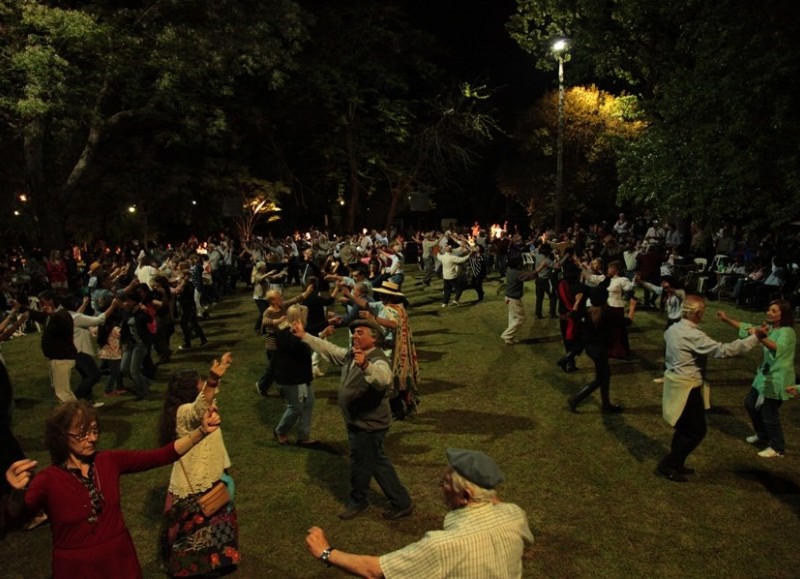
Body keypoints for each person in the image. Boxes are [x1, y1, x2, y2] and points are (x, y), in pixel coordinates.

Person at [4, 400, 220, 578]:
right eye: (82, 433)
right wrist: (17, 493)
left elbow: (161, 455)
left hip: (119, 560)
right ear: (61, 436)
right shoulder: (47, 480)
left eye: (95, 430)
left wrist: (201, 431)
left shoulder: (108, 461)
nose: (92, 438)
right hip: (77, 569)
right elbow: (16, 517)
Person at [304, 448, 534, 578]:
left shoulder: (442, 545)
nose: (440, 486)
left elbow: (375, 571)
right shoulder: (515, 515)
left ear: (464, 496)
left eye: (445, 483)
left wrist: (326, 552)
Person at [292, 317, 413, 521]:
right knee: (376, 462)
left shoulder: (377, 359)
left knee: (360, 464)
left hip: (368, 425)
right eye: (354, 332)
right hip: (360, 423)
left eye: (360, 333)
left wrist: (365, 365)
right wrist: (305, 336)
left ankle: (359, 501)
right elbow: (329, 349)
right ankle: (401, 502)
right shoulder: (351, 355)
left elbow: (383, 379)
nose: (355, 335)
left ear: (374, 339)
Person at [657, 295, 763, 482]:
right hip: (687, 386)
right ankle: (669, 464)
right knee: (695, 431)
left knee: (684, 428)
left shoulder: (673, 329)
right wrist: (755, 338)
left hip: (675, 381)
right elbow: (723, 351)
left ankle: (676, 462)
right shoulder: (693, 335)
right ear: (697, 313)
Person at [158, 351, 239, 576]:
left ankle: (219, 560)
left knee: (218, 524)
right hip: (197, 485)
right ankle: (195, 567)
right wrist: (212, 381)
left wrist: (217, 378)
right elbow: (198, 408)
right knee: (197, 534)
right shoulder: (184, 414)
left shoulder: (196, 407)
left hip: (213, 477)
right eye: (200, 382)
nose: (203, 384)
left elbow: (207, 401)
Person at [717, 300, 796, 458]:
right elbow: (746, 327)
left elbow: (776, 347)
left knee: (769, 413)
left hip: (778, 378)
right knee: (750, 403)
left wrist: (759, 337)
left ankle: (777, 447)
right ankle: (762, 435)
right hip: (764, 375)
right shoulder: (771, 327)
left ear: (784, 314)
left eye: (774, 311)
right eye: (769, 309)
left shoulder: (787, 332)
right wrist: (727, 319)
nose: (769, 313)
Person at [567, 285, 622, 413]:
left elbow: (573, 315)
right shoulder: (607, 312)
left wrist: (577, 301)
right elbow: (626, 322)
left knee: (605, 376)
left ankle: (606, 405)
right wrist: (632, 307)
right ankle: (575, 399)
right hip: (600, 351)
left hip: (591, 349)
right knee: (601, 378)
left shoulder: (588, 311)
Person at [273, 305, 317, 446]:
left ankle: (303, 436)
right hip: (290, 378)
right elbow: (296, 347)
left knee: (309, 403)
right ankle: (280, 431)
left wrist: (328, 325)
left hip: (302, 377)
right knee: (295, 407)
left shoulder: (296, 332)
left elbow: (311, 332)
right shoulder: (285, 333)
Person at [500, 254, 537, 345]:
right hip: (513, 299)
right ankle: (507, 335)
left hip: (509, 297)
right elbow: (529, 275)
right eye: (521, 262)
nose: (522, 264)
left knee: (513, 318)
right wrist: (539, 269)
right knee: (520, 318)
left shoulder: (510, 270)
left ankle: (509, 338)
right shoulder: (517, 273)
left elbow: (527, 276)